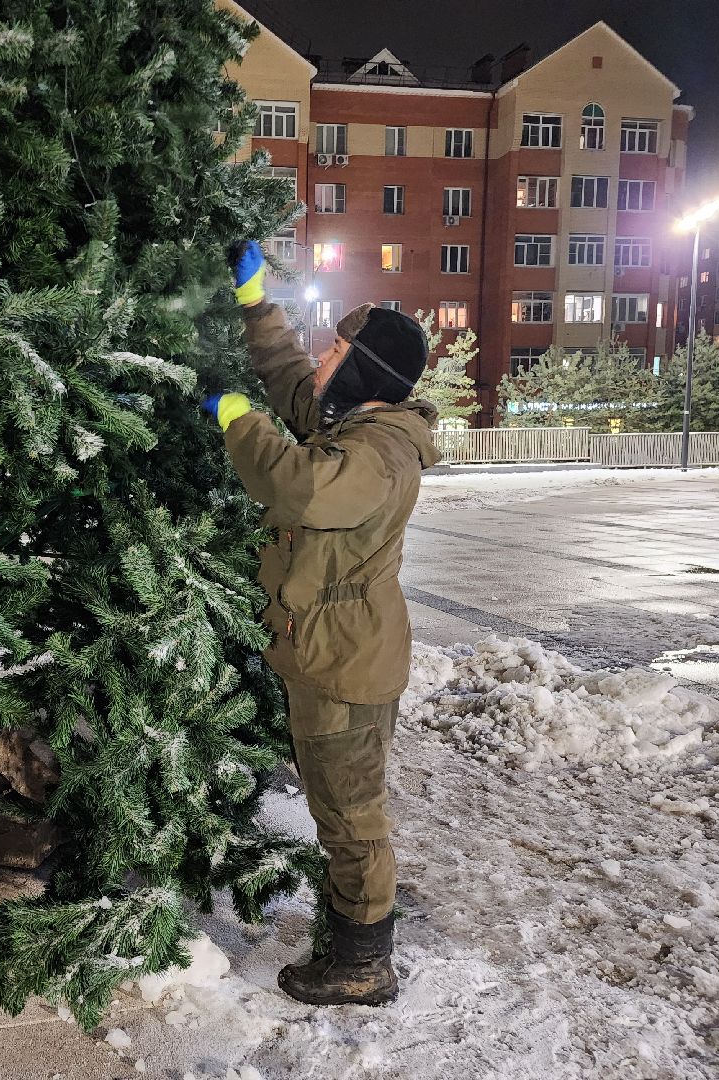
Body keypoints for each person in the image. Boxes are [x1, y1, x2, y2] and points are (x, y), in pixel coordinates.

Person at [201, 240, 442, 1006]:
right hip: (326, 655)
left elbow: (301, 488)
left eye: (338, 350)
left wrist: (238, 421)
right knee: (338, 803)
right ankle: (355, 935)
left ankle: (364, 962)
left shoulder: (378, 455)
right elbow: (291, 383)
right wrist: (256, 305)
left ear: (365, 371)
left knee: (349, 814)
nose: (325, 358)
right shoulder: (353, 423)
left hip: (345, 669)